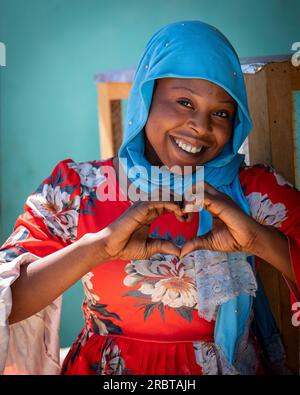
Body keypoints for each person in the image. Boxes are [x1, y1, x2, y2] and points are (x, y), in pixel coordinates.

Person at [0, 20, 299, 376]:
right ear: (146, 98)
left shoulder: (251, 192)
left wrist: (257, 240)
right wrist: (100, 247)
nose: (201, 127)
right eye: (184, 102)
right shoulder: (78, 189)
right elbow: (9, 301)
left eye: (221, 112)